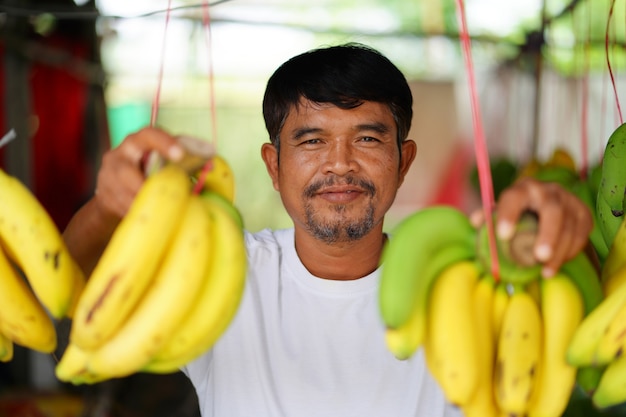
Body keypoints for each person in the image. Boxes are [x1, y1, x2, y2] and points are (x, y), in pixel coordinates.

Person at [63, 43, 593, 417]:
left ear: (403, 162)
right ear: (273, 166)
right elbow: (73, 289)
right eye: (312, 141)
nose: (339, 165)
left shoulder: (463, 280)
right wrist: (108, 210)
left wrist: (562, 238)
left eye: (366, 139)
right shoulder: (224, 276)